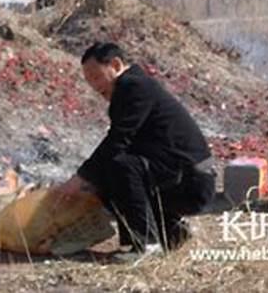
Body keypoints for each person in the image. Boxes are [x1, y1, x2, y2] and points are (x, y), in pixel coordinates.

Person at [51, 42, 215, 256]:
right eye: (89, 81)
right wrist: (90, 182)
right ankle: (171, 233)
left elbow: (118, 140)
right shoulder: (130, 88)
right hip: (178, 175)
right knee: (109, 174)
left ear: (116, 64)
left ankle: (146, 245)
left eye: (96, 77)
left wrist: (80, 178)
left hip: (191, 181)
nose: (94, 86)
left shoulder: (134, 86)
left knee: (121, 166)